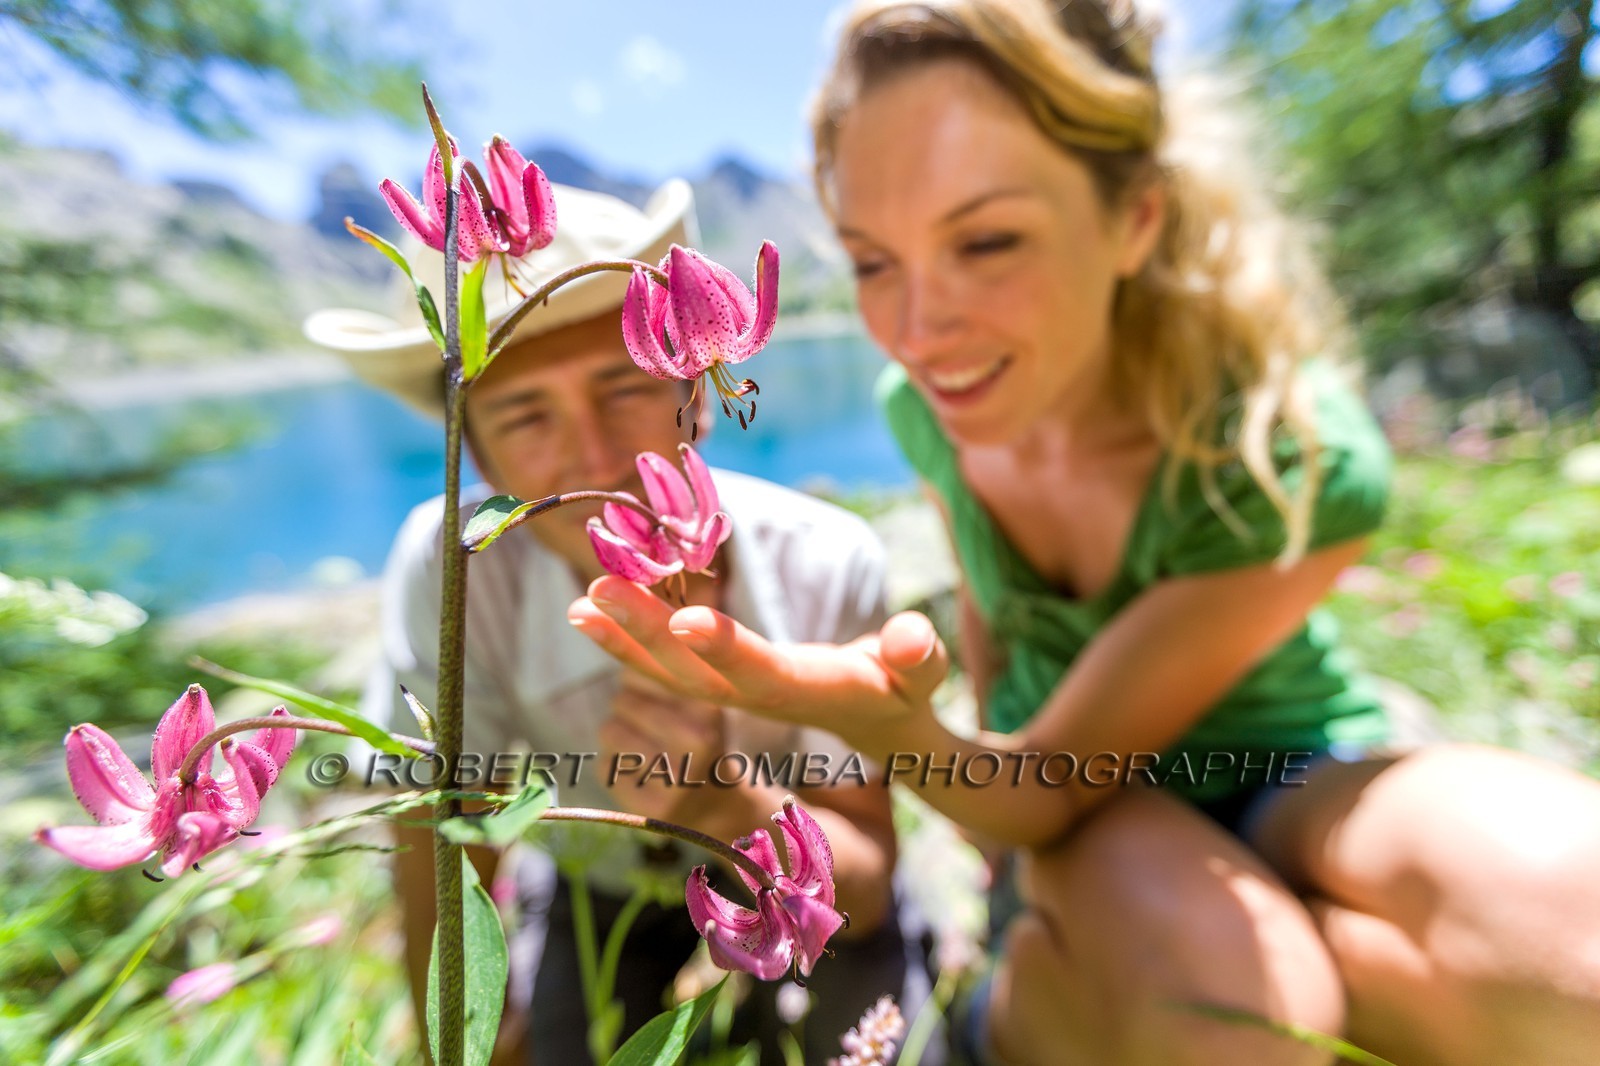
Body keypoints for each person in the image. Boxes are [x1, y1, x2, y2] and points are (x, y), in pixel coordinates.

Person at [564, 3, 1600, 1064]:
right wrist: (982, 814)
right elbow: (997, 649)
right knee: (1248, 1011)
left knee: (1576, 937)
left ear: (1136, 217)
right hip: (1066, 813)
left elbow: (1046, 773)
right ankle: (1032, 995)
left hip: (1285, 766)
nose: (919, 331)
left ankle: (1096, 984)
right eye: (874, 261)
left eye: (989, 239)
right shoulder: (929, 410)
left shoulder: (1291, 452)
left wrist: (900, 737)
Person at [305, 179, 932, 1065]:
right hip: (593, 891)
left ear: (701, 393)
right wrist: (462, 1038)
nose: (597, 457)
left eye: (626, 387)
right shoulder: (456, 563)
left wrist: (723, 794)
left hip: (798, 893)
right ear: (475, 455)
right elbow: (440, 832)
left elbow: (863, 890)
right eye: (525, 413)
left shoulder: (828, 556)